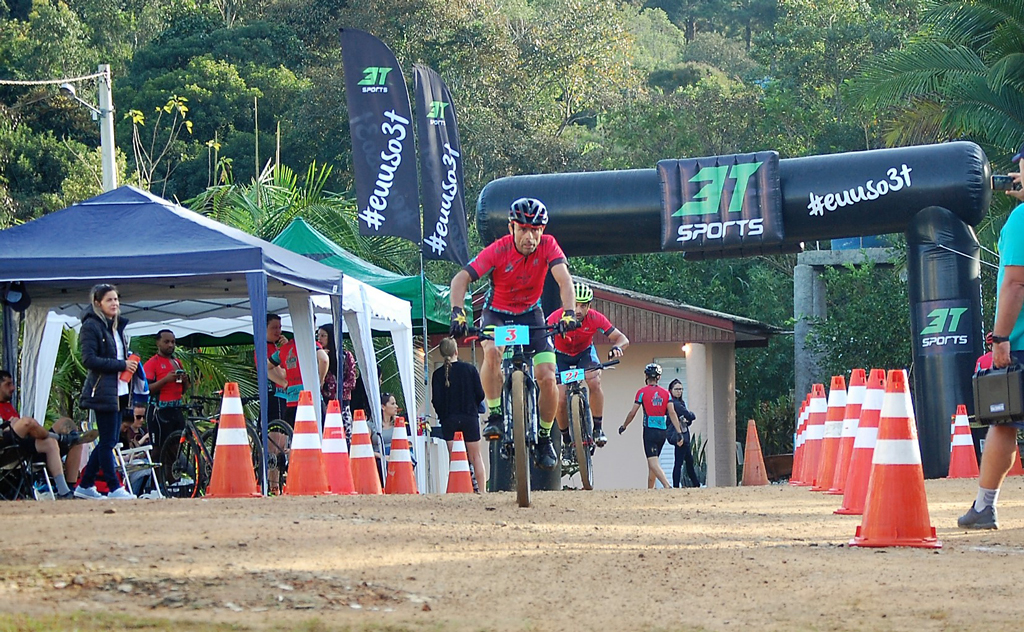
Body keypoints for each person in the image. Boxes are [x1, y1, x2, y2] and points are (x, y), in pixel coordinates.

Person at [448, 197, 579, 471]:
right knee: (493, 351)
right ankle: (495, 413)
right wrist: (458, 312)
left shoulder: (548, 246)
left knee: (547, 376)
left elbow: (565, 280)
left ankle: (544, 437)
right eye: (523, 229)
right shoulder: (499, 249)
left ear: (543, 230)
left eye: (536, 230)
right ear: (512, 228)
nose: (530, 236)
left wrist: (568, 312)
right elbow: (460, 279)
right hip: (497, 313)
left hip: (531, 315)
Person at [959, 144, 1024, 529]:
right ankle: (983, 507)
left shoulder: (1020, 220)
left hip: (1020, 343)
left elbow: (1015, 284)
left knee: (1003, 421)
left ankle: (985, 506)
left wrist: (1000, 337)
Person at [546, 280, 629, 454]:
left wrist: (617, 348)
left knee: (594, 381)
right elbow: (540, 338)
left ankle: (598, 428)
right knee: (559, 398)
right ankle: (567, 441)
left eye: (583, 306)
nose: (578, 310)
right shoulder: (555, 317)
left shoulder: (595, 318)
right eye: (575, 304)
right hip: (561, 356)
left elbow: (622, 339)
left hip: (584, 354)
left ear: (589, 306)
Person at [75, 283, 137, 500]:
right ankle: (113, 487)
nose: (115, 304)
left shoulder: (116, 327)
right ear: (97, 303)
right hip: (102, 391)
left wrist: (129, 364)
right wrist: (121, 365)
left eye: (116, 299)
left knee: (108, 440)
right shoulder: (91, 326)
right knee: (109, 441)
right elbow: (88, 359)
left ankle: (86, 484)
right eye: (109, 300)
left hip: (119, 390)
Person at [0, 370, 94, 499]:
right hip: (5, 449)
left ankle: (69, 489)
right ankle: (60, 439)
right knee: (29, 423)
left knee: (70, 431)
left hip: (24, 444)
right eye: (8, 384)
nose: (12, 388)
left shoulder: (7, 405)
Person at [431, 338, 487, 492]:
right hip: (469, 417)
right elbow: (480, 394)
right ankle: (482, 491)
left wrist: (443, 415)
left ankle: (460, 490)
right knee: (476, 458)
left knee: (455, 458)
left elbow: (436, 400)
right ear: (456, 351)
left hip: (449, 419)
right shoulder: (470, 369)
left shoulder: (437, 374)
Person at [618, 363, 683, 489]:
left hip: (649, 431)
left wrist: (624, 426)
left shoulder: (641, 392)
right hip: (662, 431)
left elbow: (632, 412)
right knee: (653, 462)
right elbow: (672, 412)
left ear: (646, 376)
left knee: (652, 462)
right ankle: (650, 489)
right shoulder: (666, 394)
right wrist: (679, 432)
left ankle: (667, 485)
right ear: (658, 377)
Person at [143, 329, 189, 451]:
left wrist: (184, 380)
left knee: (176, 448)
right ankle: (158, 470)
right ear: (158, 343)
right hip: (159, 412)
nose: (170, 345)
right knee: (158, 449)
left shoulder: (177, 362)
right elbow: (146, 390)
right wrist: (165, 380)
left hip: (176, 409)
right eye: (167, 341)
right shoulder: (152, 363)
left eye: (173, 342)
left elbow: (183, 390)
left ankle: (172, 470)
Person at [666, 379, 700, 488]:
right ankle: (677, 486)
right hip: (679, 436)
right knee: (679, 463)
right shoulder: (674, 404)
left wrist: (688, 418)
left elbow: (688, 420)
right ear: (671, 390)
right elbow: (689, 415)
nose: (679, 391)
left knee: (688, 461)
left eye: (681, 389)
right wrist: (690, 416)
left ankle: (696, 484)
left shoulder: (680, 403)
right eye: (676, 389)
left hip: (684, 435)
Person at [317, 324, 339, 404]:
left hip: (340, 400)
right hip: (321, 399)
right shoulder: (316, 355)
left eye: (323, 336)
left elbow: (351, 381)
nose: (319, 339)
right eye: (318, 335)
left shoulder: (344, 356)